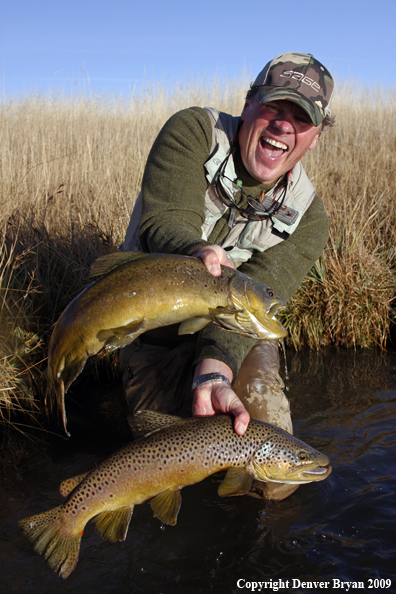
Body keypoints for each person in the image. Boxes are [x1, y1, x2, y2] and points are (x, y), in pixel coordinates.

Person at [119, 52, 335, 499]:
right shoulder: (195, 133)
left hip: (232, 333)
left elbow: (255, 312)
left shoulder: (308, 218)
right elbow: (165, 223)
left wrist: (214, 369)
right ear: (249, 102)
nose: (282, 127)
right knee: (156, 470)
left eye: (301, 118)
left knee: (274, 481)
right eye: (274, 107)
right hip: (152, 327)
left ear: (314, 137)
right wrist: (195, 252)